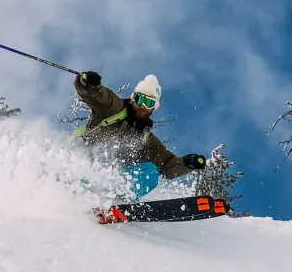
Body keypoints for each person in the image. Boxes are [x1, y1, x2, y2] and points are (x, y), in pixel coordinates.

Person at [72, 70, 206, 201]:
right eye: (139, 99)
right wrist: (87, 83)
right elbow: (98, 96)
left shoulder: (146, 140)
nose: (142, 105)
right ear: (133, 98)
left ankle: (120, 201)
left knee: (151, 171)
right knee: (89, 163)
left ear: (154, 108)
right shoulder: (114, 109)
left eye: (148, 103)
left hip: (109, 181)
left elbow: (167, 165)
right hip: (83, 167)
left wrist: (187, 163)